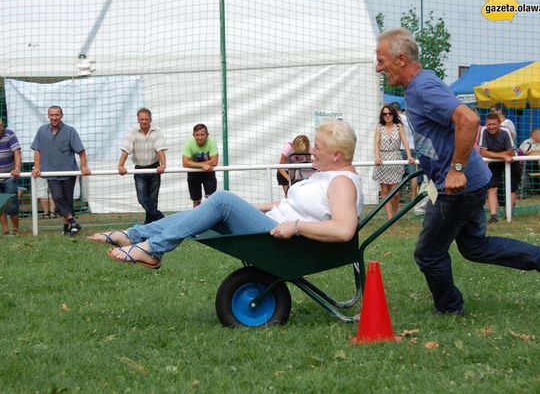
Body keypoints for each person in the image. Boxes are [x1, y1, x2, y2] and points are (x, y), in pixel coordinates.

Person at [375, 28, 540, 316]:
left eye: (381, 60)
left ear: (400, 59)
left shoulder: (423, 87)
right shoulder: (416, 88)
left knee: (428, 254)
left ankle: (450, 309)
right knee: (475, 247)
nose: (378, 67)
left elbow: (469, 118)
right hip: (465, 182)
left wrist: (456, 170)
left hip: (459, 186)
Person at [88, 120, 363, 270]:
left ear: (336, 155)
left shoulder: (341, 182)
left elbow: (343, 230)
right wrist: (251, 206)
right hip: (276, 230)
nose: (311, 151)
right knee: (210, 206)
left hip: (288, 244)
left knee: (220, 199)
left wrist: (295, 226)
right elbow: (293, 205)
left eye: (317, 147)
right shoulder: (328, 175)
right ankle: (136, 235)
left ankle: (152, 249)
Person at [31, 106, 90, 235]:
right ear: (48, 116)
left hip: (68, 172)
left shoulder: (70, 131)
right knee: (57, 197)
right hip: (50, 172)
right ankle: (73, 222)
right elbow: (37, 150)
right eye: (51, 115)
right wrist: (36, 166)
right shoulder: (41, 131)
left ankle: (68, 228)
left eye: (57, 115)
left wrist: (84, 166)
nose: (54, 117)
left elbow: (81, 151)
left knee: (68, 200)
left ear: (61, 116)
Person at [118, 107, 167, 224]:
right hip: (139, 170)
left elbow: (160, 149)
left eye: (146, 119)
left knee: (153, 200)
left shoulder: (157, 130)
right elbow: (126, 149)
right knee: (142, 199)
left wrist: (163, 165)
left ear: (150, 119)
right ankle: (161, 217)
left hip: (154, 169)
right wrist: (120, 165)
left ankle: (149, 224)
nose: (144, 122)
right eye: (142, 119)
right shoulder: (132, 131)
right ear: (138, 120)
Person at [478, 112, 521, 224]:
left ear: (499, 124)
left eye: (493, 124)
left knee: (512, 187)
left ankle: (509, 214)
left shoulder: (506, 131)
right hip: (495, 161)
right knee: (491, 187)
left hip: (511, 160)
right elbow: (482, 152)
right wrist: (502, 155)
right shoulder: (483, 130)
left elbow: (511, 152)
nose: (491, 127)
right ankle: (493, 216)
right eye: (489, 124)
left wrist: (494, 154)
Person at [372, 105, 414, 219]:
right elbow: (376, 144)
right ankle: (390, 217)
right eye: (385, 114)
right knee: (385, 190)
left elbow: (405, 141)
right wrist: (377, 157)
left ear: (393, 114)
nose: (387, 116)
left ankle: (395, 215)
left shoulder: (399, 126)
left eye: (389, 113)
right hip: (382, 159)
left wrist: (409, 155)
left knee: (395, 193)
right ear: (382, 116)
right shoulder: (379, 127)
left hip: (396, 158)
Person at [182, 124, 219, 207]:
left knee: (211, 199)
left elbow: (215, 161)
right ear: (193, 135)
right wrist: (202, 165)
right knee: (196, 200)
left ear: (207, 135)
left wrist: (196, 164)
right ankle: (197, 219)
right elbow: (185, 163)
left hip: (208, 172)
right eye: (197, 135)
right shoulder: (189, 142)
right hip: (193, 173)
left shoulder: (212, 141)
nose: (200, 137)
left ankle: (212, 219)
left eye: (202, 135)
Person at [0, 118, 22, 235]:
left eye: (1, 126)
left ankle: (16, 229)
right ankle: (6, 231)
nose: (1, 129)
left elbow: (17, 152)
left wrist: (17, 168)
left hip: (9, 176)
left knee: (12, 205)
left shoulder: (9, 134)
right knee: (0, 205)